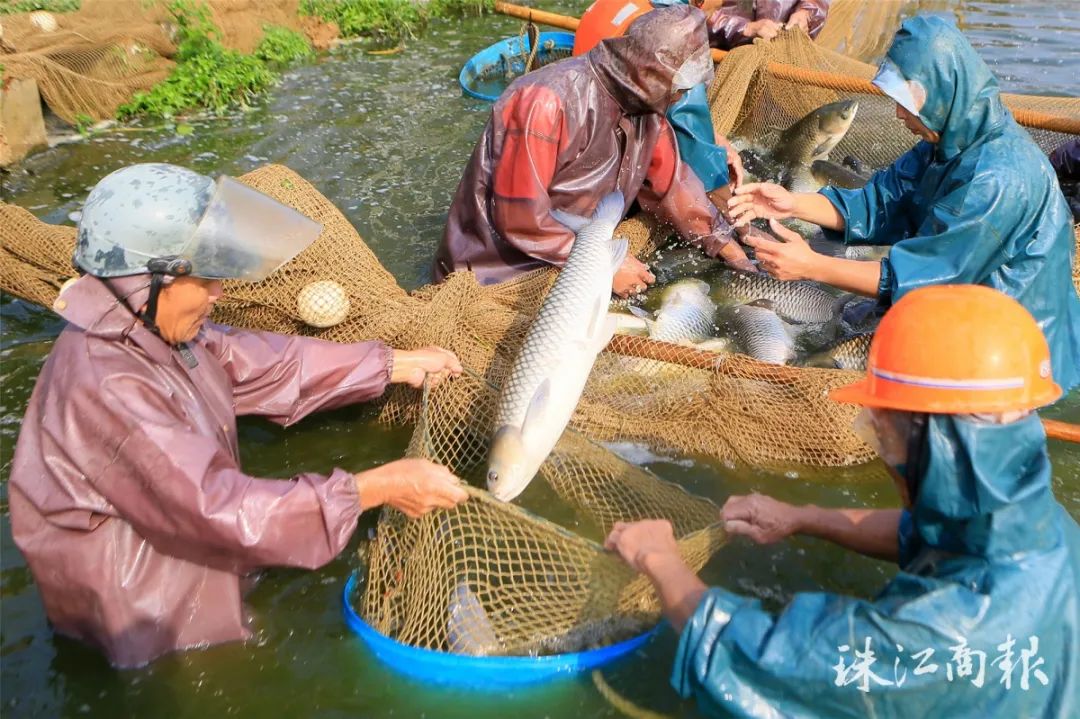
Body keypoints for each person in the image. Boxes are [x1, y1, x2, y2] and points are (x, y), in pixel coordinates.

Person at [9, 163, 470, 669]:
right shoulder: (108, 384)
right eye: (205, 277)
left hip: (192, 554)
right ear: (151, 281)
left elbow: (260, 362)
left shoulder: (150, 328)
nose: (219, 294)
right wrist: (372, 490)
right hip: (145, 619)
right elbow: (215, 509)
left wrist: (389, 363)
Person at [606, 284, 1080, 717]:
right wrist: (803, 516)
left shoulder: (941, 636)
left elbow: (759, 659)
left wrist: (659, 559)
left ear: (939, 445)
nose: (879, 451)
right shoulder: (1049, 532)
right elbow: (925, 533)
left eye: (880, 432)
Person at [728, 15, 1080, 392]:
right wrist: (792, 204)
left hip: (1021, 354)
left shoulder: (997, 179)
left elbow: (925, 278)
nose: (898, 115)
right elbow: (880, 201)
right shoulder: (947, 139)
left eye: (906, 102)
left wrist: (812, 265)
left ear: (944, 94)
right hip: (959, 312)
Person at [433, 5, 754, 297]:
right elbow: (519, 218)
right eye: (679, 88)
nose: (679, 98)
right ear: (650, 74)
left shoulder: (648, 108)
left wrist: (732, 251)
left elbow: (673, 184)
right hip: (489, 271)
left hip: (568, 251)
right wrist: (606, 265)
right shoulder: (546, 102)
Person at [572, 0, 747, 222]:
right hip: (603, 175)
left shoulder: (624, 7)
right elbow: (694, 146)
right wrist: (736, 219)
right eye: (716, 8)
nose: (715, 14)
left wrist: (713, 138)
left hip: (585, 132)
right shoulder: (671, 36)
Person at [706, 0, 829, 49]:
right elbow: (694, 16)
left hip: (781, 65)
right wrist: (746, 28)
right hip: (725, 62)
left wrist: (807, 13)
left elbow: (817, 3)